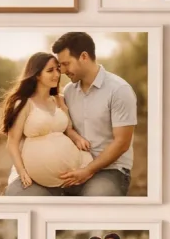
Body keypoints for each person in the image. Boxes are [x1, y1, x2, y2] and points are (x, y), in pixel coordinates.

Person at [9, 31, 135, 198]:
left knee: (96, 200)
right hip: (67, 170)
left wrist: (87, 170)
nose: (61, 72)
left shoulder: (118, 90)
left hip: (108, 170)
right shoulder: (68, 92)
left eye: (65, 64)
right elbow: (61, 128)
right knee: (16, 194)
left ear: (83, 57)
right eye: (57, 67)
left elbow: (122, 143)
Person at [2, 52, 93, 192]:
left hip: (75, 169)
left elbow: (68, 130)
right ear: (37, 74)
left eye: (57, 69)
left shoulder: (59, 100)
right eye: (50, 70)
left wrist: (78, 138)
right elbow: (12, 143)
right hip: (38, 178)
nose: (56, 74)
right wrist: (22, 172)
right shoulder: (24, 103)